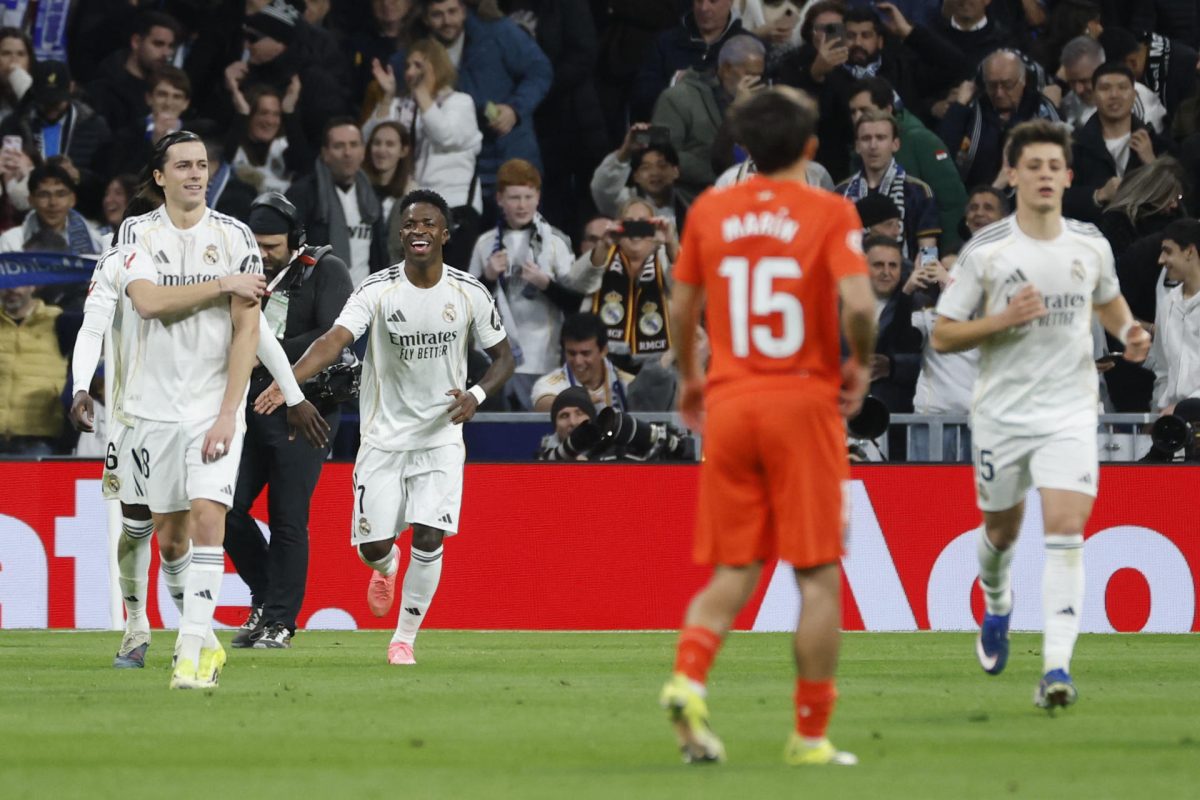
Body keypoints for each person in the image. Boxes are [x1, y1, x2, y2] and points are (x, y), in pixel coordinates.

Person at [660, 87, 876, 766]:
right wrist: (862, 364)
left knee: (734, 567)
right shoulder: (829, 209)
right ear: (811, 149)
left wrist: (693, 377)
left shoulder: (710, 211)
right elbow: (862, 304)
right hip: (802, 400)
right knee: (816, 575)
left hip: (730, 402)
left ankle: (688, 678)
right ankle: (810, 735)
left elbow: (680, 306)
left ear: (744, 148)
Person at [931, 119, 1151, 709]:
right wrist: (1001, 321)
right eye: (1034, 166)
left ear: (1069, 176)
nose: (1046, 175)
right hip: (1002, 414)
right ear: (1014, 175)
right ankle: (997, 600)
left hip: (1070, 411)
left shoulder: (1089, 244)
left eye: (1055, 167)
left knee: (1065, 531)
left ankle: (1056, 668)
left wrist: (1128, 329)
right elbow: (944, 336)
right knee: (1001, 534)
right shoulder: (988, 251)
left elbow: (1105, 298)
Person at [259, 189, 515, 665]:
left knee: (429, 535)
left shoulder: (468, 292)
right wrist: (289, 382)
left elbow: (503, 358)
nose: (418, 230)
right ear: (400, 234)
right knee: (373, 546)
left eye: (428, 223)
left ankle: (404, 639)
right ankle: (387, 566)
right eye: (410, 223)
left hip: (439, 438)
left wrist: (476, 395)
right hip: (382, 439)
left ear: (444, 233)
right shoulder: (377, 290)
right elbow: (334, 340)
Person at [113, 130, 268, 689]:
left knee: (209, 519)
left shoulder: (235, 234)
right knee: (169, 539)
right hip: (151, 410)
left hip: (211, 406)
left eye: (202, 164)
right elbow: (149, 302)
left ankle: (187, 658)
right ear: (159, 176)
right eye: (182, 166)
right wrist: (221, 283)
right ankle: (204, 636)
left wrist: (230, 412)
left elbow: (247, 328)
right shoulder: (137, 231)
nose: (195, 174)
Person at [224, 192, 353, 650]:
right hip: (249, 406)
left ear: (295, 240)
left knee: (288, 517)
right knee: (226, 509)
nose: (262, 254)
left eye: (272, 246)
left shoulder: (326, 271)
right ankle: (264, 595)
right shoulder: (241, 276)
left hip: (306, 409)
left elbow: (331, 334)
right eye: (255, 244)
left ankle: (280, 621)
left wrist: (272, 357)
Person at [468, 159, 579, 410]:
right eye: (514, 197)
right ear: (499, 199)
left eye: (528, 196)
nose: (521, 205)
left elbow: (575, 302)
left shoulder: (556, 242)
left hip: (544, 358)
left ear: (538, 197)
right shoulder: (485, 244)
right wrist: (487, 278)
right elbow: (466, 309)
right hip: (497, 360)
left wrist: (546, 284)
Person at [367, 38, 482, 271]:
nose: (410, 72)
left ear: (437, 68)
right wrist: (387, 98)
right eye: (408, 66)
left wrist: (422, 95)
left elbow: (445, 135)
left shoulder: (459, 103)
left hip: (456, 209)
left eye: (419, 66)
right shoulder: (406, 105)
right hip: (414, 207)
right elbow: (372, 139)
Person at [571, 197, 680, 370]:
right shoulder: (604, 253)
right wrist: (604, 245)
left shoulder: (665, 256)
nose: (635, 231)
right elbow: (577, 283)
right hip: (601, 357)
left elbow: (686, 290)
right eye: (629, 224)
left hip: (657, 360)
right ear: (619, 226)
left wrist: (671, 242)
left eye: (643, 224)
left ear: (654, 227)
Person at [287, 118, 389, 288]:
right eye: (339, 146)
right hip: (318, 296)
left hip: (364, 299)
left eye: (354, 145)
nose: (347, 153)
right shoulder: (302, 194)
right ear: (325, 153)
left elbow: (379, 257)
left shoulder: (372, 197)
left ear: (363, 151)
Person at [1063, 63, 1171, 225]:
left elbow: (1178, 200)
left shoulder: (1158, 144)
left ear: (1134, 94)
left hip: (1148, 239)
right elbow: (1061, 197)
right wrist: (1098, 195)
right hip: (1094, 239)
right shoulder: (1075, 148)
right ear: (1094, 95)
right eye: (1105, 88)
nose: (1114, 95)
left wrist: (1151, 163)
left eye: (1122, 87)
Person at [836, 110, 941, 260]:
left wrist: (924, 277)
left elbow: (928, 251)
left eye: (881, 138)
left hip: (907, 279)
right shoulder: (840, 194)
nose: (873, 145)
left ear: (895, 144)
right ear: (857, 146)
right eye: (866, 138)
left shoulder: (919, 191)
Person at [0, 283, 68, 455]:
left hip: (38, 438)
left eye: (19, 283)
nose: (11, 289)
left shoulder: (59, 320)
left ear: (34, 285)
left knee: (30, 484)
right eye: (6, 282)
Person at [530, 312, 635, 413]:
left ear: (604, 350)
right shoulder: (548, 383)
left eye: (585, 353)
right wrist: (579, 402)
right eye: (572, 353)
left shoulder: (629, 383)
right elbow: (542, 406)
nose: (578, 361)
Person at [1149, 219, 1200, 414]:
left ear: (1189, 251)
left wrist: (1184, 408)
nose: (1161, 260)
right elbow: (1162, 370)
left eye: (1168, 251)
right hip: (1171, 422)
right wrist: (1156, 411)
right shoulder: (1167, 302)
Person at [0, 161, 106, 255]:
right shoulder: (11, 242)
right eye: (44, 195)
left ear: (72, 199)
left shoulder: (97, 242)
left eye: (61, 194)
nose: (53, 203)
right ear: (31, 200)